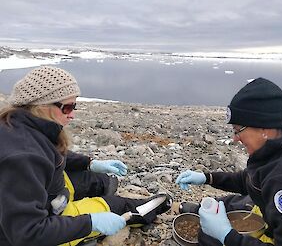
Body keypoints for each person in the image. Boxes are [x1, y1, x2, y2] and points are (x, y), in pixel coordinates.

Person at [0, 66, 172, 246]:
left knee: (99, 180)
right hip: (36, 227)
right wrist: (91, 223)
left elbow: (49, 155)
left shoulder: (17, 123)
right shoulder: (22, 159)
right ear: (41, 106)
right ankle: (156, 206)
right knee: (118, 207)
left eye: (74, 106)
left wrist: (90, 163)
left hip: (50, 193)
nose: (72, 114)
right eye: (67, 107)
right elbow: (28, 234)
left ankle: (102, 189)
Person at [176, 78, 282, 246]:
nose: (235, 139)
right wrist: (207, 177)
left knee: (209, 238)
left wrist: (226, 236)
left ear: (263, 128)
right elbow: (249, 180)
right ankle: (199, 211)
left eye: (238, 130)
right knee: (229, 203)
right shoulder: (281, 141)